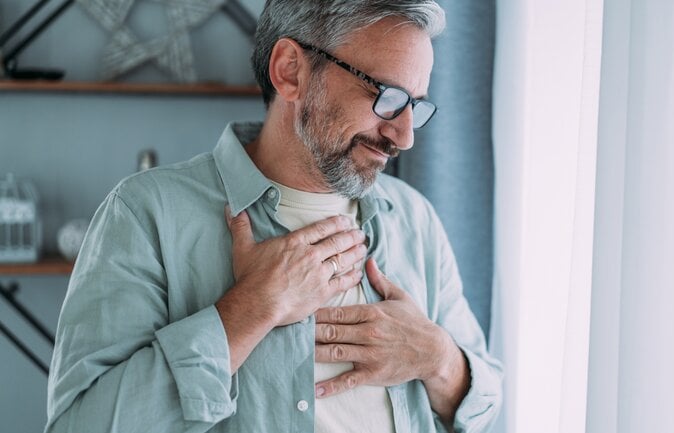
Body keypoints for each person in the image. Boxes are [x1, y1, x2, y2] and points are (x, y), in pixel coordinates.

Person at [45, 1, 503, 432]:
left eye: (415, 106)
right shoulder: (146, 214)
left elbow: (483, 403)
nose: (404, 137)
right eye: (387, 96)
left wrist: (438, 359)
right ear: (290, 71)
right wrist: (250, 310)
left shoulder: (414, 217)